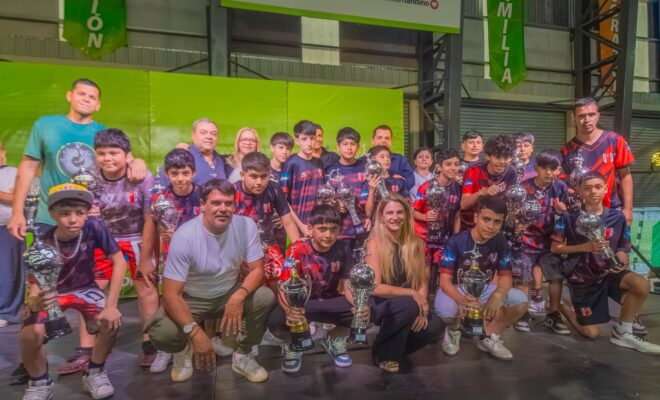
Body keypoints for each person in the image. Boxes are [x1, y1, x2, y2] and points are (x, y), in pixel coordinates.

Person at [146, 179, 276, 383]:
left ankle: (243, 355)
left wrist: (238, 296)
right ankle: (182, 351)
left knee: (264, 296)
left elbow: (257, 270)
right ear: (202, 205)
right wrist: (195, 333)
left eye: (228, 203)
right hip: (192, 298)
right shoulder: (185, 236)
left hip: (228, 291)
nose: (223, 208)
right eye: (216, 203)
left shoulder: (246, 225)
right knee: (161, 331)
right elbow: (171, 294)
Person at [20, 183, 126, 400]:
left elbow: (119, 261)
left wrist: (112, 305)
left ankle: (95, 372)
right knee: (29, 333)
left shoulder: (94, 227)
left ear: (87, 214)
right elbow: (35, 288)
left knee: (110, 321)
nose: (73, 219)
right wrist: (34, 302)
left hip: (85, 289)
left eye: (79, 213)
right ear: (53, 214)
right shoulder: (42, 242)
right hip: (53, 293)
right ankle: (39, 381)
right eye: (65, 213)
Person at [8, 78, 147, 240]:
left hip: (90, 219)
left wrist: (139, 161)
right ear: (69, 96)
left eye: (92, 97)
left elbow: (127, 161)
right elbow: (28, 167)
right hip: (49, 217)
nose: (86, 99)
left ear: (98, 105)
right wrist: (17, 213)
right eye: (81, 94)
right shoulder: (45, 125)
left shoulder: (104, 133)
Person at [550, 171, 660, 353]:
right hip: (583, 279)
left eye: (597, 187)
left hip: (610, 274)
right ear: (579, 191)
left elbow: (624, 244)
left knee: (641, 284)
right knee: (591, 333)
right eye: (587, 188)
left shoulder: (617, 217)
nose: (593, 191)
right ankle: (562, 305)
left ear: (606, 189)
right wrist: (585, 247)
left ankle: (623, 332)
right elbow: (555, 248)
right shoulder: (569, 217)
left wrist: (622, 254)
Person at [268, 205, 367, 373]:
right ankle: (293, 344)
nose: (328, 235)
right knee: (277, 320)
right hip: (304, 304)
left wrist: (360, 305)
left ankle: (334, 339)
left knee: (367, 312)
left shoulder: (343, 248)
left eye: (333, 229)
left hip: (330, 301)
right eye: (322, 229)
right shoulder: (297, 249)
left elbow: (347, 284)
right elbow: (284, 286)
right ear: (310, 228)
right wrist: (289, 310)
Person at [92, 128, 159, 368]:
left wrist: (146, 257)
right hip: (103, 239)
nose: (108, 158)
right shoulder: (89, 178)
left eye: (114, 153)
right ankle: (89, 346)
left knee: (146, 288)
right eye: (102, 153)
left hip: (136, 237)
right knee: (92, 290)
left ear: (126, 155)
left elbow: (150, 218)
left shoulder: (141, 176)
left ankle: (150, 343)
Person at [436, 195, 528, 360]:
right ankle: (453, 331)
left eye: (497, 222)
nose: (491, 226)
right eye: (486, 219)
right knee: (447, 315)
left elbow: (505, 277)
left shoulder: (501, 242)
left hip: (484, 289)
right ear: (476, 217)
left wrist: (497, 295)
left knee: (520, 302)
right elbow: (444, 282)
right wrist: (461, 300)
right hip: (457, 288)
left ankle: (489, 335)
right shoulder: (456, 241)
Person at [364, 194, 444, 372]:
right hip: (380, 302)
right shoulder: (374, 244)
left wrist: (422, 309)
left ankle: (387, 348)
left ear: (406, 215)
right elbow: (375, 287)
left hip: (409, 303)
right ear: (381, 217)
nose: (395, 217)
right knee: (408, 306)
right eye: (390, 213)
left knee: (435, 326)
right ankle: (385, 355)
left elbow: (421, 279)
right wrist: (413, 295)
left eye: (400, 212)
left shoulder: (416, 242)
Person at [148, 148, 202, 374]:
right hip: (170, 260)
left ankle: (196, 343)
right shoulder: (160, 198)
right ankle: (168, 348)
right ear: (167, 175)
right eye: (174, 173)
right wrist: (147, 259)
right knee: (171, 301)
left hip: (198, 260)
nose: (180, 178)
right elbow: (150, 230)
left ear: (193, 173)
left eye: (185, 173)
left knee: (196, 301)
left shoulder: (203, 194)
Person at [512, 150, 570, 333]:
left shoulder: (560, 188)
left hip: (550, 242)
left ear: (559, 170)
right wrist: (516, 226)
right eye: (544, 168)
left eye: (553, 168)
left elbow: (565, 216)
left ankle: (553, 314)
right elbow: (512, 214)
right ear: (536, 168)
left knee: (556, 277)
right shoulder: (523, 188)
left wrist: (562, 212)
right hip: (525, 241)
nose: (549, 172)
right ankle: (522, 313)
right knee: (523, 278)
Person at [561, 97, 635, 226]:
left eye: (591, 114)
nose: (587, 119)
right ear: (574, 119)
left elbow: (625, 175)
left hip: (613, 210)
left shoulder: (615, 141)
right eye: (581, 116)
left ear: (598, 116)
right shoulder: (567, 150)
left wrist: (628, 209)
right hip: (581, 213)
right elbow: (565, 185)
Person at [234, 152, 301, 288]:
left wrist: (299, 250)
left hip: (268, 244)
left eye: (263, 176)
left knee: (282, 281)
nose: (259, 182)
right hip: (239, 247)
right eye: (253, 176)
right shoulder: (231, 192)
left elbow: (288, 222)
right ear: (242, 175)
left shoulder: (274, 188)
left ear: (269, 174)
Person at [412, 148, 462, 293]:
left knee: (444, 275)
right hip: (424, 238)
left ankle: (439, 303)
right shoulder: (426, 187)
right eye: (448, 164)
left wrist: (456, 238)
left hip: (445, 239)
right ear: (439, 167)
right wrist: (425, 217)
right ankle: (422, 302)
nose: (453, 168)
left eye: (456, 164)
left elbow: (457, 215)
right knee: (424, 274)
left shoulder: (458, 188)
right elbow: (414, 212)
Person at [324, 127, 371, 250]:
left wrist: (369, 217)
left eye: (352, 144)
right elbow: (325, 200)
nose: (349, 148)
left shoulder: (366, 169)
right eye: (345, 144)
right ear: (338, 147)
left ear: (358, 147)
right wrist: (335, 204)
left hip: (363, 229)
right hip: (339, 231)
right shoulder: (330, 171)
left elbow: (370, 199)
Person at [460, 135, 517, 230]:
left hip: (496, 227)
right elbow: (464, 204)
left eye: (506, 157)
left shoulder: (511, 172)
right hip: (471, 227)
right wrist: (482, 193)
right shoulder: (473, 171)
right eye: (498, 157)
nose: (502, 162)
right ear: (488, 156)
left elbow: (511, 203)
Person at [279, 120, 324, 229]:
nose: (309, 143)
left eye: (312, 138)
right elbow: (283, 200)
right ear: (297, 141)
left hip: (318, 223)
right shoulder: (291, 163)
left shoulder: (319, 162)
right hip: (298, 225)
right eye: (304, 139)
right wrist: (300, 226)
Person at [165, 118, 228, 186]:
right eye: (203, 132)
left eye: (214, 134)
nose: (209, 136)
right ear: (193, 135)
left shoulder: (221, 160)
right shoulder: (182, 156)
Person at [0, 141, 22, 327]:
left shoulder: (13, 173)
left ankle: (6, 312)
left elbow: (15, 198)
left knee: (7, 272)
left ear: (3, 152)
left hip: (8, 228)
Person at [268, 132, 294, 253]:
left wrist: (283, 217)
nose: (284, 152)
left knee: (280, 256)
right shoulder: (263, 170)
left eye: (288, 148)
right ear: (272, 148)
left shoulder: (290, 171)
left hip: (282, 224)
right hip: (264, 223)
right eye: (281, 147)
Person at [365, 145, 407, 218]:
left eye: (388, 157)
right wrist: (372, 191)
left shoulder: (398, 180)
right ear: (372, 160)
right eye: (382, 157)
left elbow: (406, 205)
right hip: (377, 222)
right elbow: (368, 213)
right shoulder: (368, 182)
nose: (387, 159)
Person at [371, 125, 415, 194]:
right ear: (372, 141)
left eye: (387, 138)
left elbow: (411, 181)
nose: (383, 141)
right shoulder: (364, 160)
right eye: (379, 138)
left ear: (391, 142)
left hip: (396, 198)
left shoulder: (400, 159)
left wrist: (401, 181)